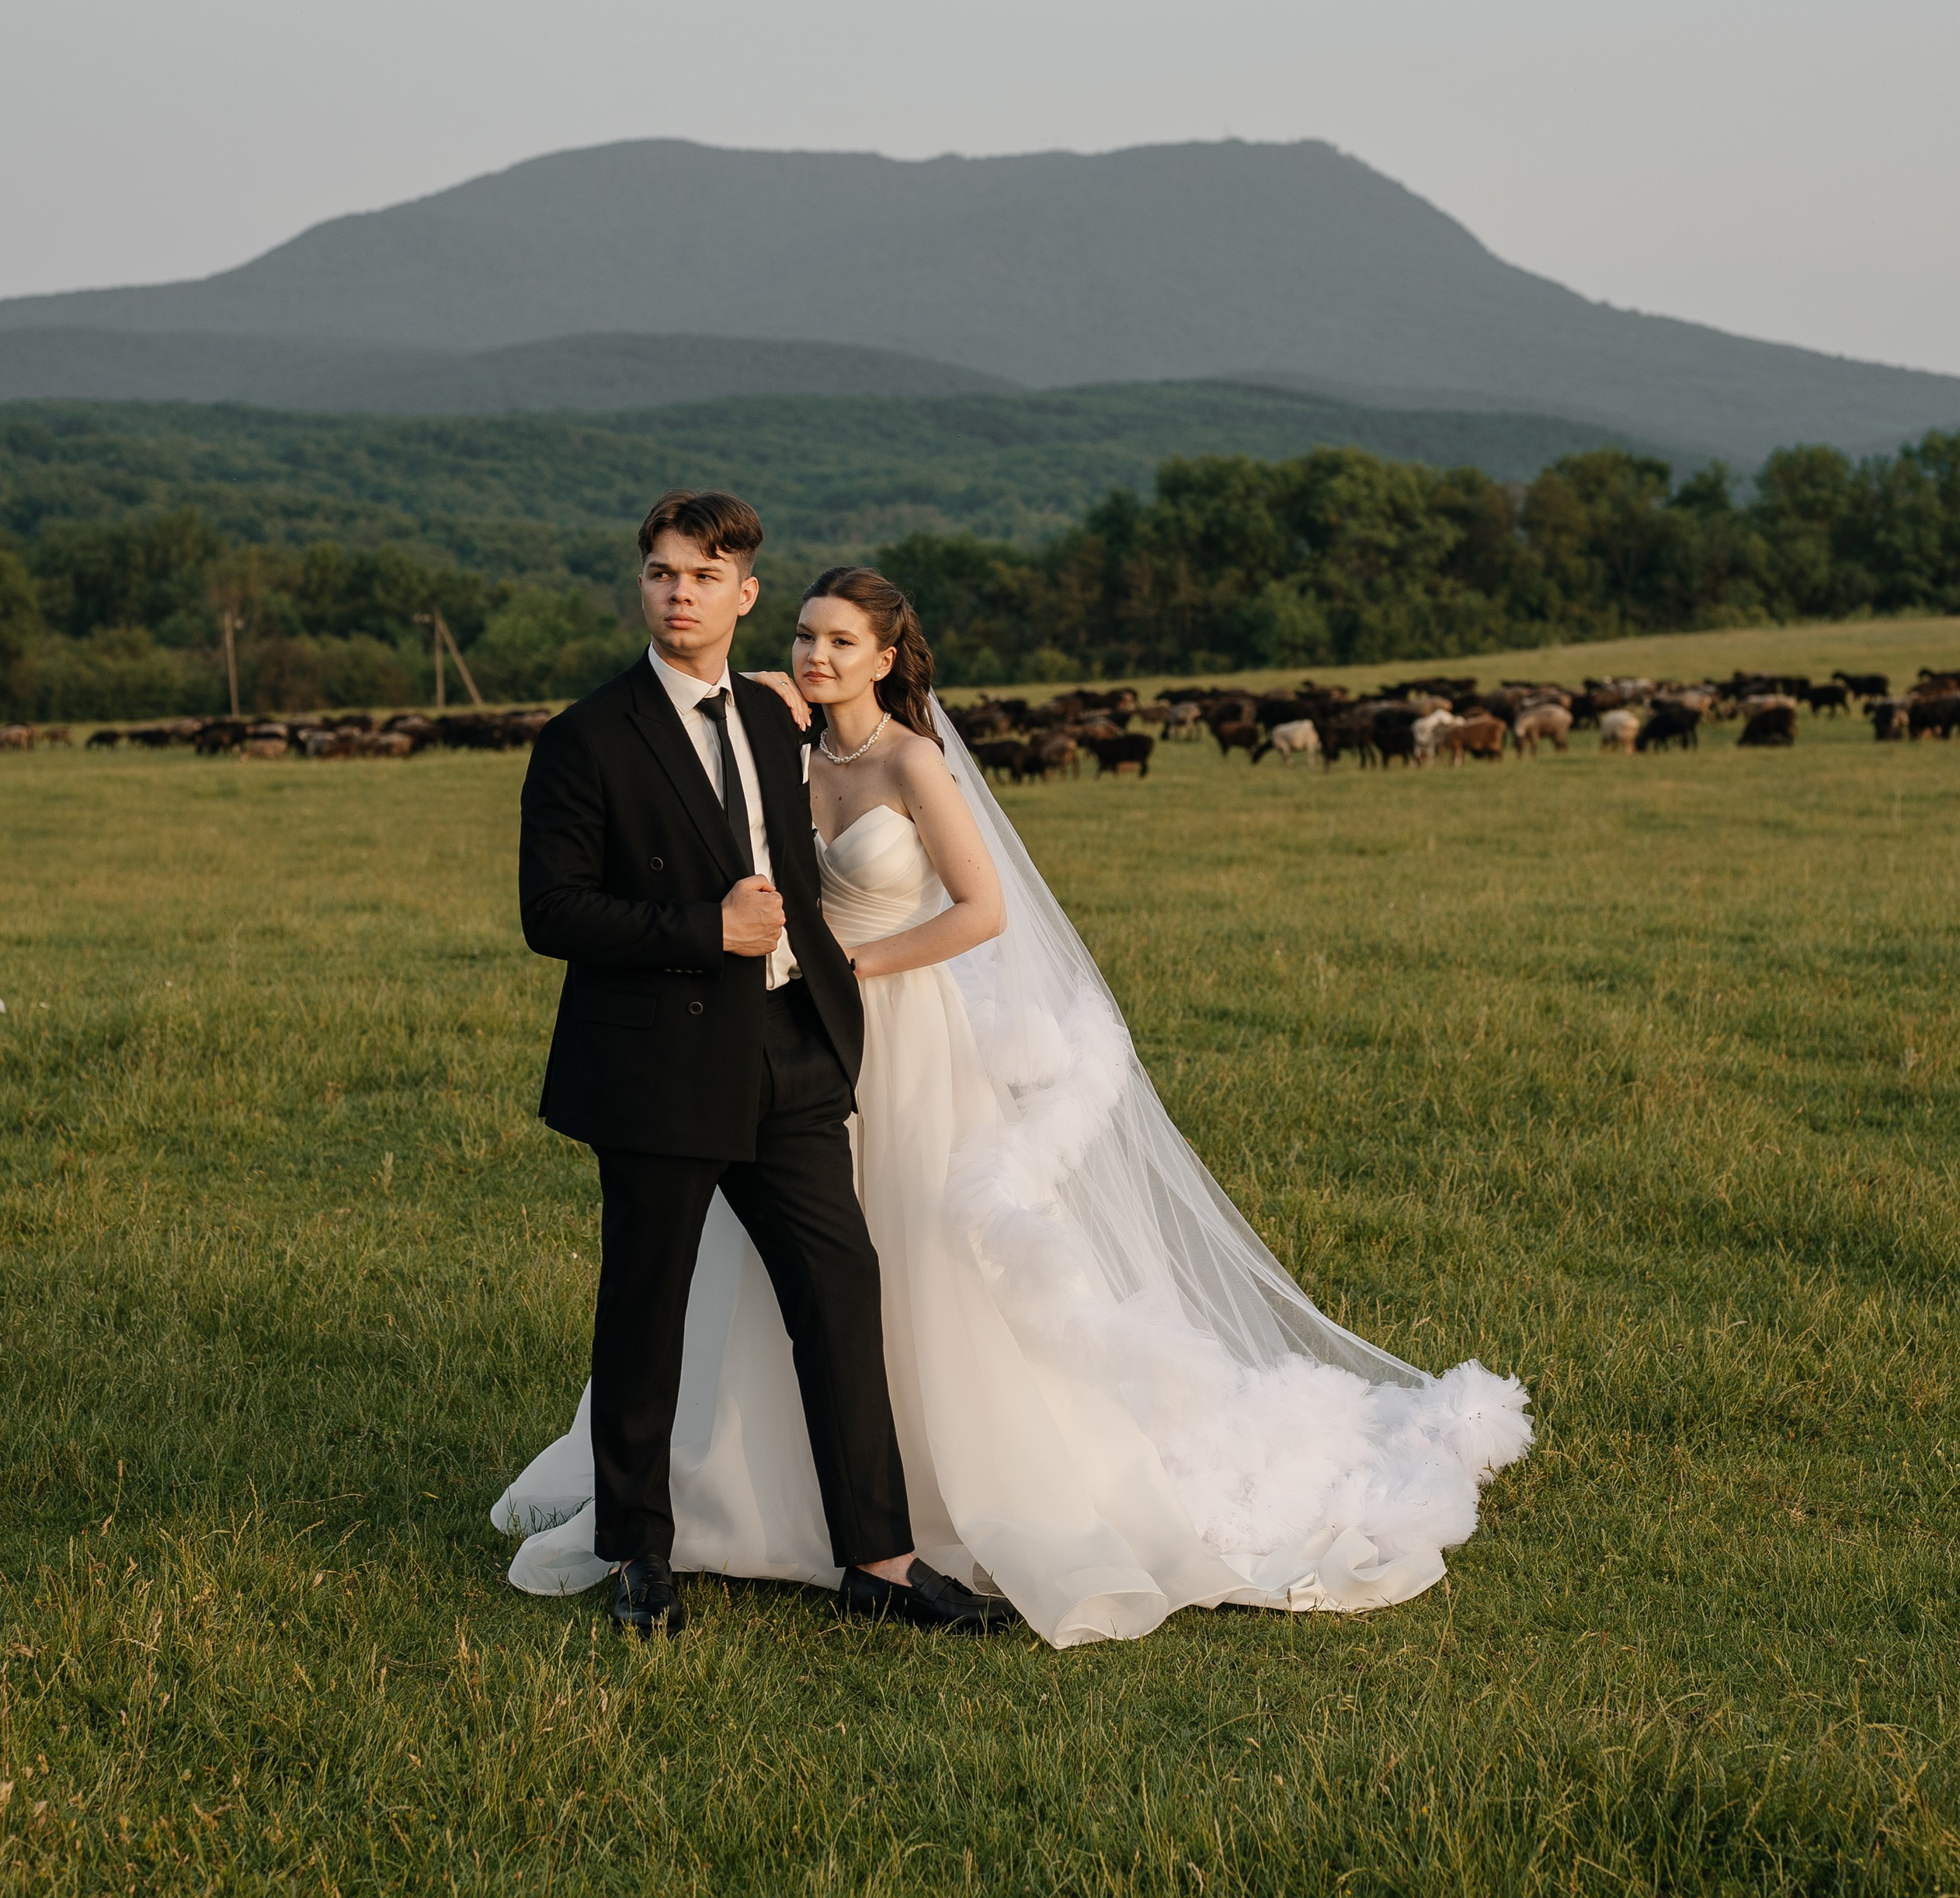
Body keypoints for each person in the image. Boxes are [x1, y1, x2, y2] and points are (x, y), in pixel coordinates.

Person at [497, 545, 1533, 1649]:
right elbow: (621, 866)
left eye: (840, 640)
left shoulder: (908, 759)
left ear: (884, 656)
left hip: (880, 1030)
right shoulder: (762, 729)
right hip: (742, 1045)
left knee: (868, 1279)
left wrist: (844, 967)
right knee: (697, 1290)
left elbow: (978, 909)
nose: (814, 654)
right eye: (804, 636)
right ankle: (680, 1527)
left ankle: (891, 1541)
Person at [505, 487, 1014, 1639]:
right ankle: (640, 1554)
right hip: (662, 1068)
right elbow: (551, 911)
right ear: (643, 587)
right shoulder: (587, 736)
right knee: (647, 1313)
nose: (679, 594)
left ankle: (880, 1562)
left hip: (793, 1051)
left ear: (743, 595)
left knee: (842, 1296)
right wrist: (706, 929)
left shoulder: (781, 719)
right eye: (661, 574)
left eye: (703, 577)